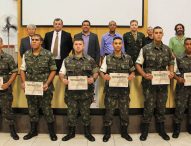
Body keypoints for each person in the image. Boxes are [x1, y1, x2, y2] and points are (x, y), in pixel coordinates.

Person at [136, 26, 174, 141]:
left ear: (163, 34)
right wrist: (143, 74)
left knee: (161, 107)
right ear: (153, 34)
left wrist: (171, 72)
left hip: (162, 84)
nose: (158, 34)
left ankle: (161, 130)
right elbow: (138, 64)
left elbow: (171, 62)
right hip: (149, 84)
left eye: (160, 33)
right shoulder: (145, 48)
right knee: (148, 106)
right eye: (156, 32)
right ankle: (145, 131)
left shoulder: (167, 49)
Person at [59, 38, 99, 141]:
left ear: (83, 46)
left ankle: (87, 133)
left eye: (80, 44)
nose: (78, 46)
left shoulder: (90, 59)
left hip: (86, 94)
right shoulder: (67, 60)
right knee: (71, 114)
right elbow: (61, 73)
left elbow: (95, 72)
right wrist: (63, 79)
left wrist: (93, 78)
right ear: (73, 46)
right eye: (76, 44)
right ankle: (71, 133)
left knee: (86, 113)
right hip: (71, 94)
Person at [20, 34, 57, 141]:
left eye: (37, 40)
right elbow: (22, 70)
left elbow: (53, 70)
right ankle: (33, 131)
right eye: (33, 40)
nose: (34, 41)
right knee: (32, 109)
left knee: (47, 109)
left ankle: (52, 132)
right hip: (31, 87)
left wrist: (47, 83)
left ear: (41, 42)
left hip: (44, 87)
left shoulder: (48, 54)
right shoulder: (26, 54)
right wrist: (23, 82)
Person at [100, 37, 135, 142]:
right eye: (116, 43)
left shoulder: (128, 58)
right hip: (111, 91)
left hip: (124, 91)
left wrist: (131, 75)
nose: (118, 45)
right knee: (109, 112)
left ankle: (125, 132)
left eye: (120, 43)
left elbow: (132, 71)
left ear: (122, 45)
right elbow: (102, 71)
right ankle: (107, 133)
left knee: (124, 112)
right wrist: (104, 76)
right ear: (112, 45)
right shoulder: (107, 58)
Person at [0, 37, 19, 140]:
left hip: (5, 89)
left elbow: (14, 71)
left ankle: (13, 131)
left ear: (1, 44)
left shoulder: (8, 57)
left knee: (7, 110)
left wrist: (8, 83)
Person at [172, 38, 191, 138]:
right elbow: (173, 72)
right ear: (184, 45)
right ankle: (176, 129)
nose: (189, 46)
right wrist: (178, 79)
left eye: (190, 44)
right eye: (187, 44)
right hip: (182, 88)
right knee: (180, 108)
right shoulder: (179, 58)